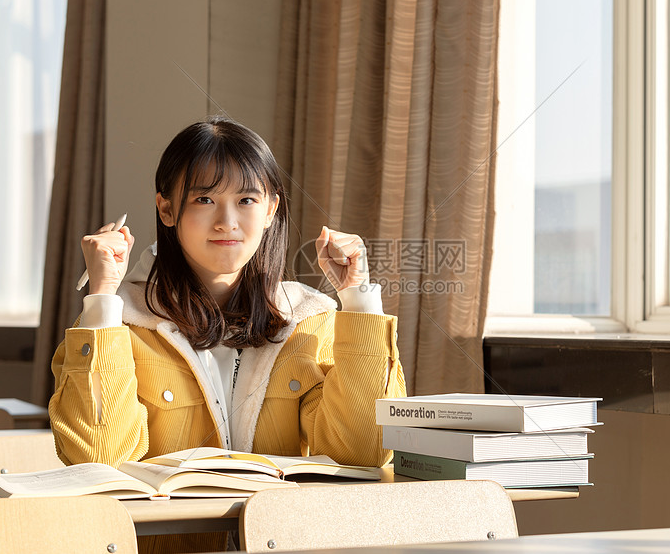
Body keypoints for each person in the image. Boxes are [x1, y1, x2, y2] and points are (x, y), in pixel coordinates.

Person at [48, 117, 407, 483]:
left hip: (273, 535)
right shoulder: (118, 321)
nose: (226, 222)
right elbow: (98, 458)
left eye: (246, 200)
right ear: (166, 209)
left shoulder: (308, 318)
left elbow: (362, 452)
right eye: (204, 199)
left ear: (270, 210)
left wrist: (359, 298)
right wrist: (104, 297)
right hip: (164, 538)